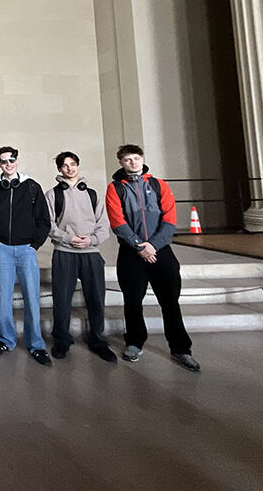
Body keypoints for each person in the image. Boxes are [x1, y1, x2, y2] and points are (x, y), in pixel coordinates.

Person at [106, 144, 200, 372]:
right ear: (121, 162)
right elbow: (117, 222)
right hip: (131, 252)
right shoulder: (115, 188)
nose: (133, 162)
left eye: (136, 158)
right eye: (128, 159)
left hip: (161, 251)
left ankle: (180, 348)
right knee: (132, 302)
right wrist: (140, 246)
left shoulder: (158, 185)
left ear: (142, 159)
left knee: (169, 302)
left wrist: (153, 246)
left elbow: (170, 220)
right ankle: (135, 341)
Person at [0, 146, 53, 367]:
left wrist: (34, 246)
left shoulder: (32, 187)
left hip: (26, 251)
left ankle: (36, 344)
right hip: (2, 250)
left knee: (32, 298)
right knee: (4, 299)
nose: (8, 164)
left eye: (11, 159)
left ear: (17, 160)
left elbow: (43, 221)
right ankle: (5, 340)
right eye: (3, 161)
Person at [44, 152, 116, 362]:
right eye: (65, 166)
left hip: (91, 253)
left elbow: (104, 225)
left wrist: (91, 240)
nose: (69, 169)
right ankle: (62, 339)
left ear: (78, 166)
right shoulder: (52, 194)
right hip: (64, 253)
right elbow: (49, 224)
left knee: (96, 298)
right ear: (59, 170)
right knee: (62, 299)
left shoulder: (93, 194)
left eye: (73, 164)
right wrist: (68, 238)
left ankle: (97, 338)